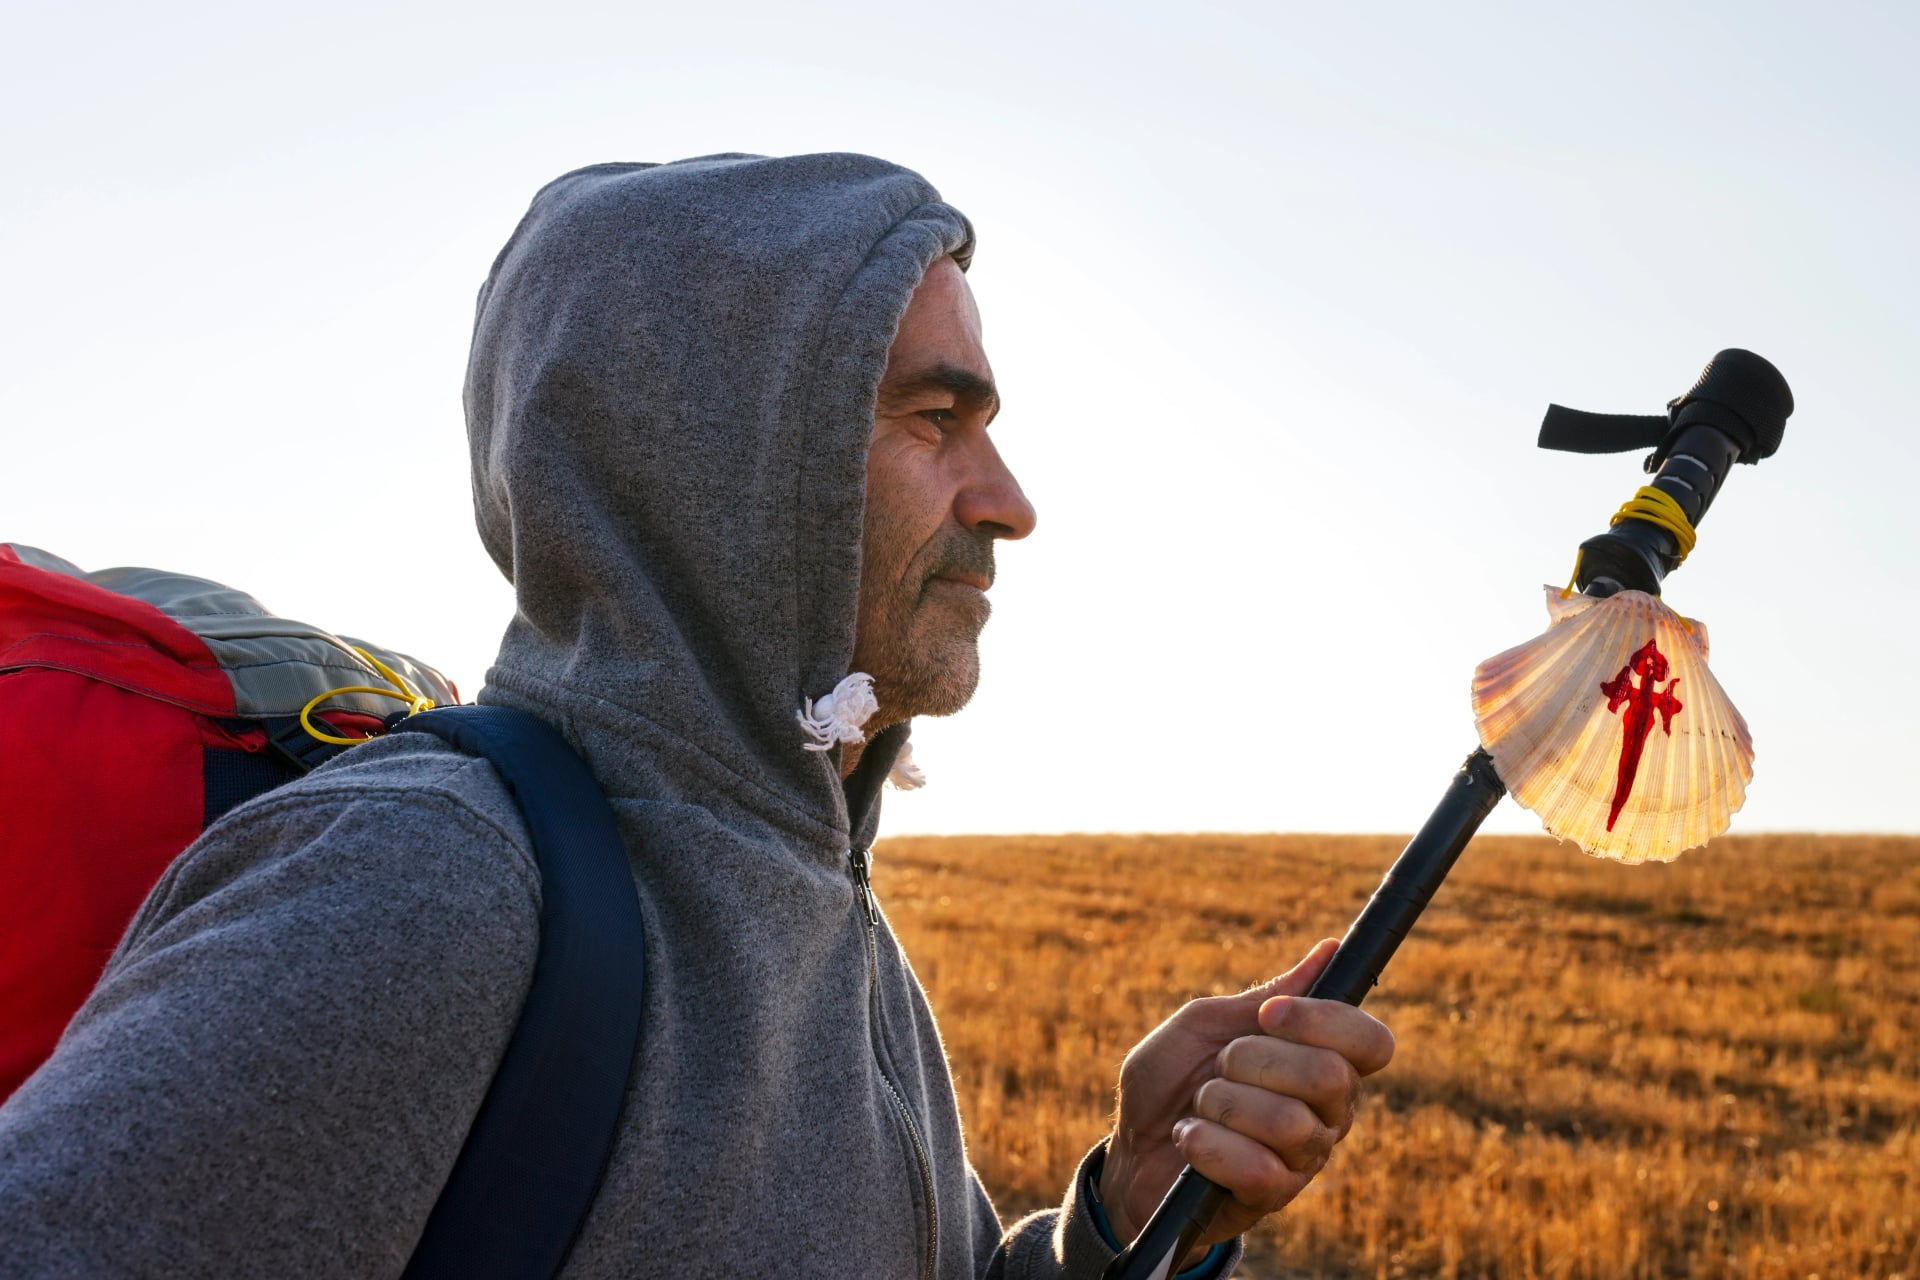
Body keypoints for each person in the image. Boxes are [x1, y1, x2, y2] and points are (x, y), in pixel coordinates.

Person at [0, 153, 1392, 1278]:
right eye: (934, 418)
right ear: (726, 465)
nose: (1008, 501)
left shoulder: (821, 915)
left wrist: (1112, 1224)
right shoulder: (427, 886)